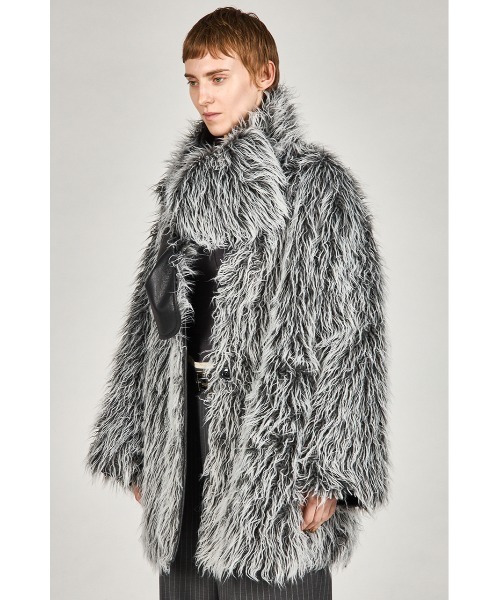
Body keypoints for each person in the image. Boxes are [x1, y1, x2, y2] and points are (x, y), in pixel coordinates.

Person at [85, 7, 391, 599]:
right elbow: (149, 322)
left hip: (272, 449)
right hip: (184, 437)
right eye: (193, 81)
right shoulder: (183, 191)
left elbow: (354, 338)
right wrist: (135, 442)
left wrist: (333, 467)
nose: (203, 96)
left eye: (218, 78)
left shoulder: (318, 189)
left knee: (267, 582)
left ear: (265, 74)